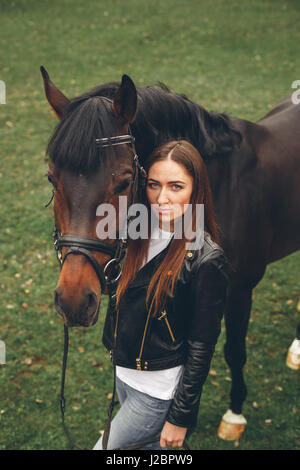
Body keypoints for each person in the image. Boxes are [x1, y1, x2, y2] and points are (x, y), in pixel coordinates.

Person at [93, 140, 229, 450]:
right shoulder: (134, 233)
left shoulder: (206, 259)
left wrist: (180, 417)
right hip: (125, 375)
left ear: (196, 190)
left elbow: (202, 347)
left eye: (176, 186)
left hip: (157, 393)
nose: (162, 198)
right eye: (154, 185)